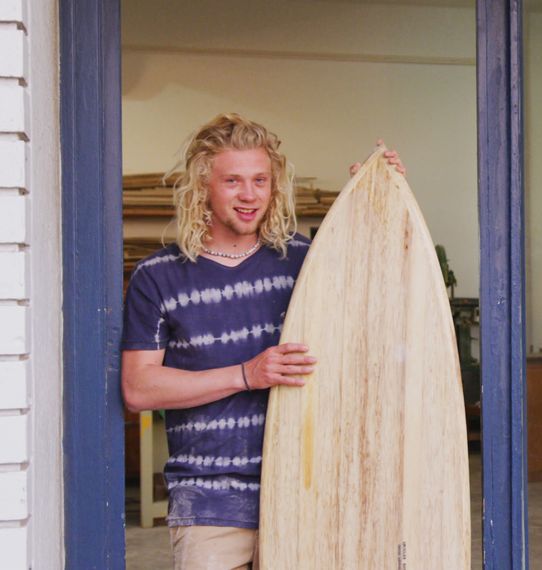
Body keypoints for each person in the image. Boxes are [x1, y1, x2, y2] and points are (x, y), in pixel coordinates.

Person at [120, 113, 405, 569]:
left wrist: (373, 202)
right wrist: (246, 375)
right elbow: (138, 389)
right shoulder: (159, 276)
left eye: (260, 180)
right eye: (232, 180)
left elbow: (375, 299)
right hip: (210, 500)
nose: (249, 195)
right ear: (202, 187)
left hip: (304, 488)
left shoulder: (302, 261)